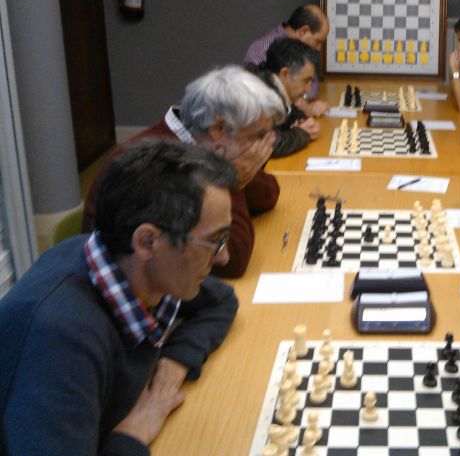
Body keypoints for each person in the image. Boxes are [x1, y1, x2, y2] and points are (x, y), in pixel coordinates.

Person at [0, 139, 241, 455]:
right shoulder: (58, 338)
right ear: (147, 241)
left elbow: (221, 301)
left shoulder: (136, 269)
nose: (223, 257)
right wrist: (132, 434)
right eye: (214, 241)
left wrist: (174, 364)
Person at [82, 65, 285, 278]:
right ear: (219, 129)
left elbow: (269, 194)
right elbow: (231, 258)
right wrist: (232, 180)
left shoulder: (204, 144)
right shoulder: (162, 166)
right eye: (258, 135)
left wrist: (237, 173)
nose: (266, 143)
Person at [243, 4, 330, 117]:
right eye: (318, 41)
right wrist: (302, 108)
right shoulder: (261, 52)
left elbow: (312, 86)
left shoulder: (302, 52)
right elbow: (257, 102)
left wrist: (302, 99)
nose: (319, 48)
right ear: (303, 31)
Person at [246, 37, 320, 157]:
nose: (308, 89)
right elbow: (271, 143)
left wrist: (302, 120)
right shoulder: (260, 97)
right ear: (285, 74)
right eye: (306, 80)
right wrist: (302, 133)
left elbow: (290, 111)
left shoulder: (273, 86)